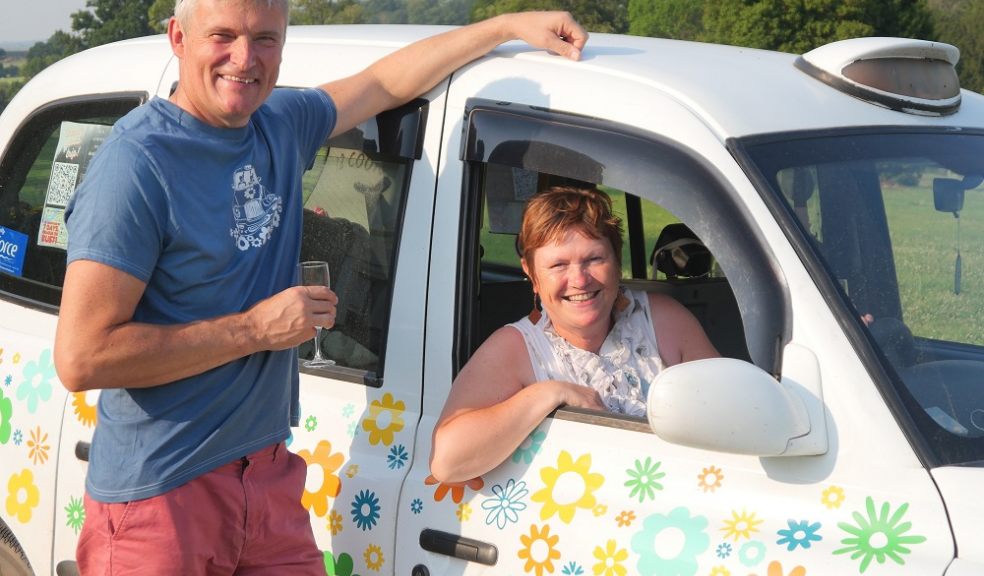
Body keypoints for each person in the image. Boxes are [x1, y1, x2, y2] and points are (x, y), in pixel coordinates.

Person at [51, 0, 588, 573]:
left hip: (267, 478)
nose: (244, 58)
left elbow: (382, 82)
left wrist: (507, 26)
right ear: (178, 37)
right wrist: (255, 329)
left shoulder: (278, 124)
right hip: (162, 492)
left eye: (265, 39)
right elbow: (83, 358)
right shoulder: (136, 164)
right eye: (223, 36)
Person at [430, 186, 719, 484]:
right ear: (532, 274)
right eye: (558, 265)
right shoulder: (515, 348)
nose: (579, 280)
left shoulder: (662, 320)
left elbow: (733, 411)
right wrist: (550, 393)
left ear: (617, 261)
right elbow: (447, 462)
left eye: (594, 259)